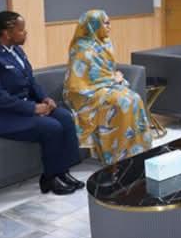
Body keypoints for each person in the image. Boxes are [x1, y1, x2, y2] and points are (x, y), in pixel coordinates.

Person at [0, 11, 83, 195]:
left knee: (65, 117)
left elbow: (30, 81)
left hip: (17, 108)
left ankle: (63, 171)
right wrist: (33, 108)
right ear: (7, 33)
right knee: (51, 127)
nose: (25, 33)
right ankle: (50, 178)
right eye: (21, 30)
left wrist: (44, 98)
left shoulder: (16, 51)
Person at [63, 10, 152, 165]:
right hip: (86, 93)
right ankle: (116, 156)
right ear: (93, 25)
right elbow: (78, 81)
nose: (109, 26)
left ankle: (137, 151)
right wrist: (113, 79)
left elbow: (105, 71)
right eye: (106, 23)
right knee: (122, 102)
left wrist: (113, 77)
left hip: (105, 86)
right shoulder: (81, 48)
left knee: (135, 98)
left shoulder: (105, 42)